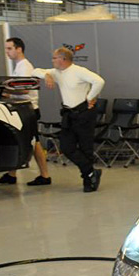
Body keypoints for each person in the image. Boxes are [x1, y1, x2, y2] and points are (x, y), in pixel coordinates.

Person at [32, 47, 105, 192]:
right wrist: (46, 75)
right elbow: (34, 71)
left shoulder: (78, 71)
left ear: (63, 59)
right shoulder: (56, 73)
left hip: (84, 113)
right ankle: (91, 171)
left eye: (54, 58)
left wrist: (90, 98)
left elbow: (99, 81)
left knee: (85, 148)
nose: (52, 60)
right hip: (69, 115)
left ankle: (88, 179)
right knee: (66, 147)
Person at [0, 37, 51, 186]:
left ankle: (45, 175)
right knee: (21, 140)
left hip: (29, 109)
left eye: (9, 48)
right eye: (6, 49)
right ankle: (11, 174)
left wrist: (6, 92)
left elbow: (25, 88)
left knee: (34, 142)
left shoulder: (25, 66)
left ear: (19, 49)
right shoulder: (18, 66)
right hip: (23, 109)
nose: (7, 52)